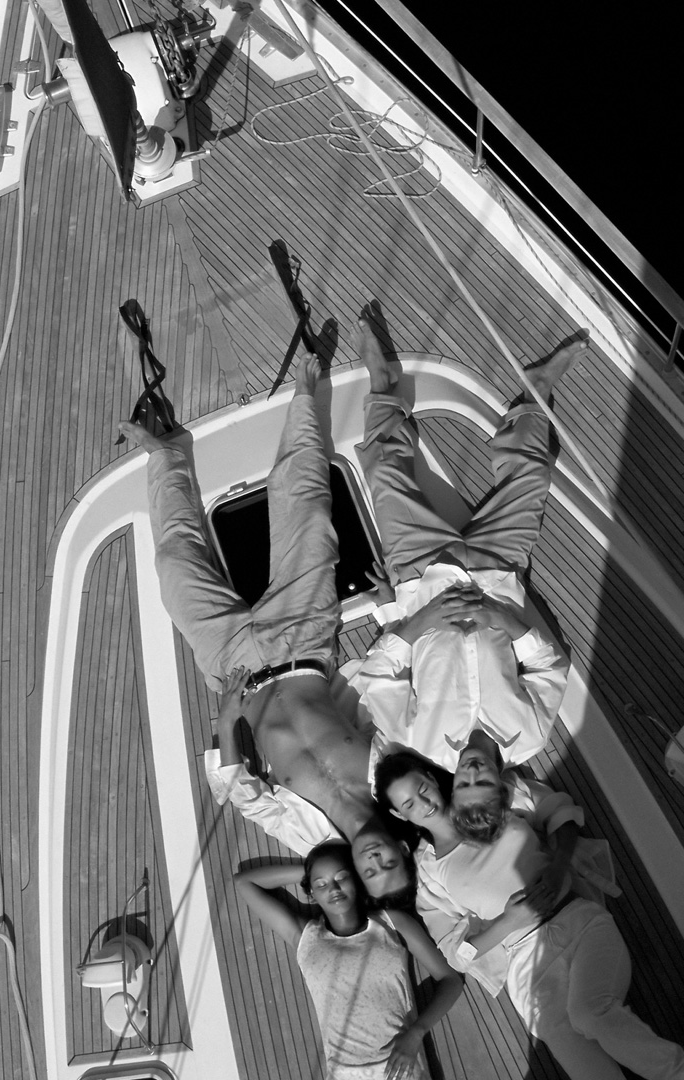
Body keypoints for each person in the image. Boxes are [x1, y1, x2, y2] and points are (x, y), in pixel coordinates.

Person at [121, 353, 404, 874]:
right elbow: (396, 692)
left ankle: (166, 456)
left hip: (237, 674)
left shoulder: (312, 839)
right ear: (401, 849)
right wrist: (389, 610)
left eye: (371, 874)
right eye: (390, 863)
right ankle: (304, 395)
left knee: (175, 567)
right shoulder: (393, 778)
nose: (376, 862)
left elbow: (243, 795)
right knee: (308, 513)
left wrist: (228, 725)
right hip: (305, 644)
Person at [342, 307, 580, 784]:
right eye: (484, 784)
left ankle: (382, 382)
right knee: (532, 477)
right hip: (496, 576)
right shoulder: (528, 737)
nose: (472, 774)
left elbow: (376, 680)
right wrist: (505, 622)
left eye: (465, 786)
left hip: (420, 579)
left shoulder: (418, 745)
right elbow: (550, 667)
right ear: (501, 784)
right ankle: (536, 389)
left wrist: (415, 621)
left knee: (386, 477)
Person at [373, 753, 684, 1080]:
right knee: (567, 1041)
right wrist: (509, 921)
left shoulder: (491, 793)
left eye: (422, 788)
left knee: (590, 1013)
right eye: (408, 804)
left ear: (431, 777)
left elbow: (559, 810)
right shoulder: (430, 874)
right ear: (398, 813)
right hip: (526, 963)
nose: (423, 803)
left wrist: (557, 867)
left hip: (578, 920)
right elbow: (458, 954)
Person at [233, 841, 464, 1080]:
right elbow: (244, 883)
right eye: (321, 885)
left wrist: (417, 1032)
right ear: (311, 894)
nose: (333, 888)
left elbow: (450, 980)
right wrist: (313, 871)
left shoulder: (393, 923)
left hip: (401, 1066)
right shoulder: (306, 937)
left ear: (357, 879)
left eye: (342, 877)